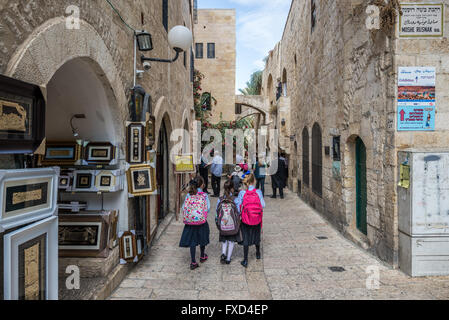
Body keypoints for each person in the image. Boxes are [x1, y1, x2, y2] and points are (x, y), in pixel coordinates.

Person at [179, 176, 210, 270]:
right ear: (201, 185)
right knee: (202, 238)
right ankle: (202, 256)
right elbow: (207, 208)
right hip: (201, 221)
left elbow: (184, 207)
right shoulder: (204, 195)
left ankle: (193, 261)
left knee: (192, 240)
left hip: (190, 222)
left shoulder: (189, 195)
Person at [237, 173, 265, 268]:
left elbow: (238, 207)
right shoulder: (258, 192)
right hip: (256, 219)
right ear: (254, 181)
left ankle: (245, 260)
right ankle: (257, 253)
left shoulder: (242, 193)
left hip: (246, 219)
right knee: (256, 236)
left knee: (246, 238)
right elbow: (263, 205)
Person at [216, 180, 242, 264]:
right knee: (231, 241)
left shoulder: (220, 199)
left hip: (223, 224)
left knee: (224, 240)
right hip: (232, 225)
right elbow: (238, 211)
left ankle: (223, 253)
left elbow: (217, 211)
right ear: (232, 189)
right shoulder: (235, 199)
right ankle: (228, 258)